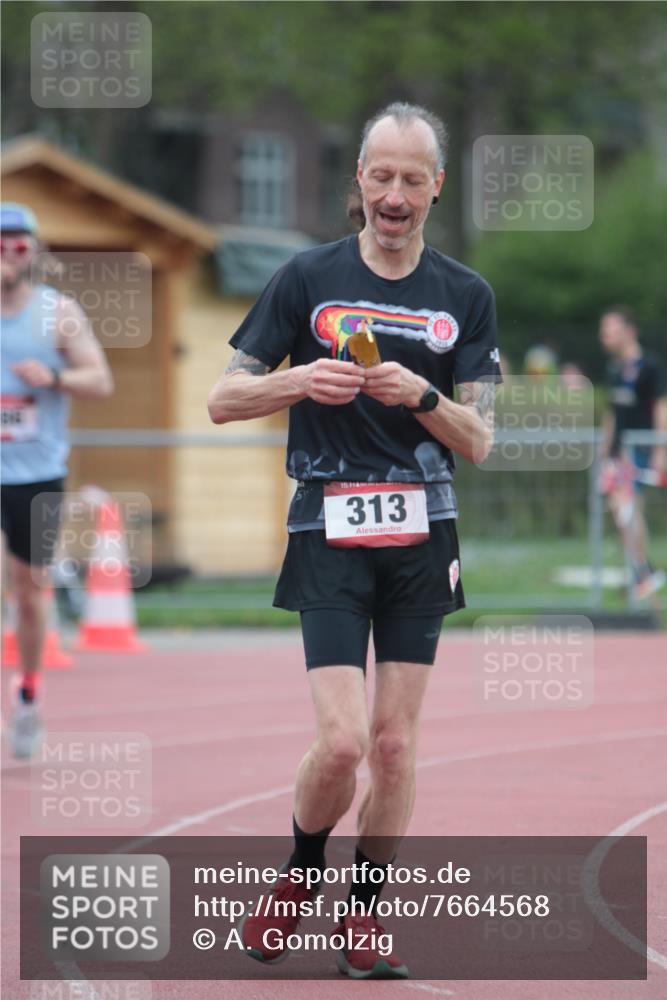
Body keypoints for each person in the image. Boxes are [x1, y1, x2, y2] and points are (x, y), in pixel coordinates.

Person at [207, 102, 501, 979]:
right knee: (340, 744)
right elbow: (222, 398)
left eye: (413, 178)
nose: (395, 194)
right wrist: (299, 380)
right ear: (358, 181)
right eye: (381, 175)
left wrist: (419, 396)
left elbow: (480, 441)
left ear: (435, 187)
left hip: (422, 530)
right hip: (328, 525)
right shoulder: (304, 277)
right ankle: (300, 876)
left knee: (395, 745)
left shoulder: (465, 296)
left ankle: (365, 918)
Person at [1, 203, 113, 757]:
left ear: (35, 253)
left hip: (37, 472)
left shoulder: (57, 314)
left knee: (28, 590)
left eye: (17, 244)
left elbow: (100, 379)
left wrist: (55, 376)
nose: (7, 252)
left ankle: (27, 694)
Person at [599, 306, 667, 602]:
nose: (604, 337)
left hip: (640, 449)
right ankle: (642, 572)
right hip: (618, 454)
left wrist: (659, 447)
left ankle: (642, 572)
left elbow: (661, 406)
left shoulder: (651, 365)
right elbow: (612, 412)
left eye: (610, 330)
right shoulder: (613, 369)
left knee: (626, 507)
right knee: (624, 510)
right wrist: (603, 450)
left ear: (629, 331)